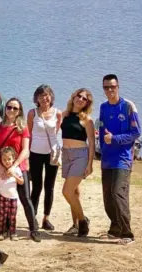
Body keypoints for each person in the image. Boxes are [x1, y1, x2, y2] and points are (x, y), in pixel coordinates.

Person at [99, 74, 141, 245]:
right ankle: (115, 228)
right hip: (107, 159)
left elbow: (136, 133)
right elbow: (102, 129)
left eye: (112, 87)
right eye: (106, 87)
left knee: (118, 193)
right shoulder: (103, 107)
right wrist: (102, 147)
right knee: (108, 196)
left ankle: (127, 233)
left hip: (123, 159)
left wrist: (115, 139)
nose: (110, 90)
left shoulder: (128, 106)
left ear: (118, 86)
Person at [0, 97, 41, 242]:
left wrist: (14, 166)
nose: (11, 110)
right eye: (9, 107)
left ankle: (34, 229)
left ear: (19, 111)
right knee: (5, 198)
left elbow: (25, 150)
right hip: (3, 167)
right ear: (5, 109)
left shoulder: (22, 127)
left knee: (25, 198)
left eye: (15, 108)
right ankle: (6, 229)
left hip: (19, 167)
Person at [60, 88, 96, 237]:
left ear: (87, 103)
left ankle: (82, 222)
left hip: (80, 155)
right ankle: (75, 225)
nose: (80, 99)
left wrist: (90, 164)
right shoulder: (64, 115)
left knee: (66, 191)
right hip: (66, 154)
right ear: (73, 97)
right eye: (79, 96)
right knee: (74, 192)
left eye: (84, 99)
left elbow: (92, 143)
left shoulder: (87, 120)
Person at [27, 84, 63, 231]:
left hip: (52, 154)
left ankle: (46, 218)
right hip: (35, 153)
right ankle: (33, 217)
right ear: (37, 98)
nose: (44, 98)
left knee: (50, 186)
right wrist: (27, 154)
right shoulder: (32, 113)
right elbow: (29, 134)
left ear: (51, 96)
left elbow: (55, 133)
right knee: (37, 186)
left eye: (47, 95)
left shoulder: (58, 113)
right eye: (41, 95)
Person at [0, 148, 24, 241]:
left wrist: (14, 175)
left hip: (13, 198)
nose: (7, 161)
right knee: (2, 217)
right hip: (2, 197)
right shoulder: (0, 171)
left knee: (12, 217)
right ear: (1, 160)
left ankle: (13, 233)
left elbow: (21, 182)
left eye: (9, 159)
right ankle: (1, 233)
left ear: (13, 159)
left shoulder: (17, 169)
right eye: (4, 159)